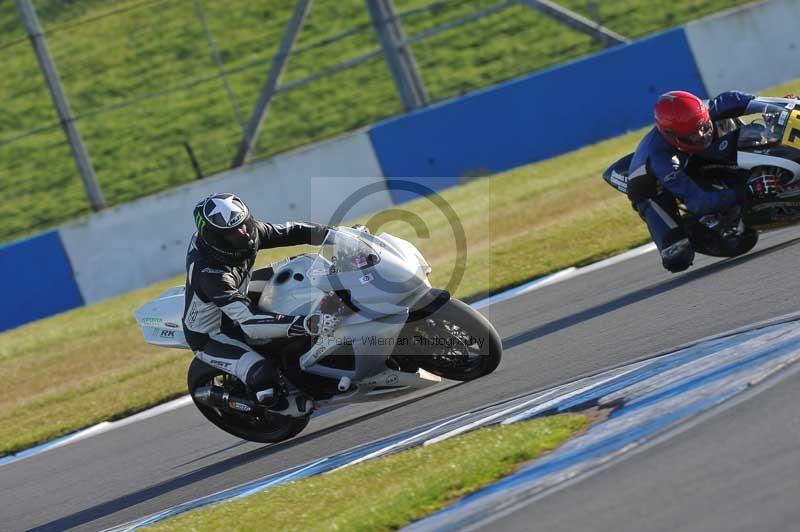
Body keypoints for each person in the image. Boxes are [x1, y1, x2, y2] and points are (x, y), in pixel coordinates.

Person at [182, 192, 338, 403]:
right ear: (215, 238)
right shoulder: (211, 274)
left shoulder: (248, 232)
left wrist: (337, 236)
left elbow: (292, 231)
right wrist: (308, 323)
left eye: (244, 224)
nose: (244, 234)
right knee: (264, 378)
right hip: (215, 333)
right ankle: (258, 400)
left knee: (306, 269)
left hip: (241, 294)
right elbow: (250, 323)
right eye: (233, 233)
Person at [627, 90, 781, 272]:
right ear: (670, 135)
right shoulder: (660, 158)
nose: (701, 135)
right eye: (692, 135)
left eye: (704, 127)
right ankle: (693, 229)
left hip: (693, 156)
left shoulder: (712, 108)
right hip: (652, 188)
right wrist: (748, 190)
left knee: (736, 126)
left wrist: (785, 106)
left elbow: (758, 102)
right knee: (677, 257)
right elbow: (699, 202)